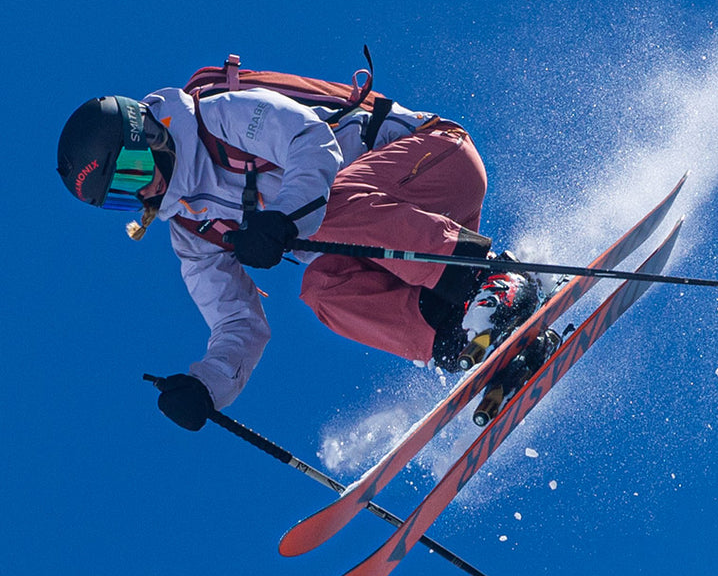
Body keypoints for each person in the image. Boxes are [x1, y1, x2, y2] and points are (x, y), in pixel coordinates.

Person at [57, 81, 543, 430]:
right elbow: (236, 323)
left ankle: (488, 280)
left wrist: (285, 218)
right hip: (405, 243)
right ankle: (462, 335)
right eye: (122, 194)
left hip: (435, 161)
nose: (144, 189)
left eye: (133, 169)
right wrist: (205, 385)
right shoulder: (192, 230)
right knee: (321, 288)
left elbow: (311, 140)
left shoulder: (219, 116)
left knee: (323, 214)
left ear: (149, 134)